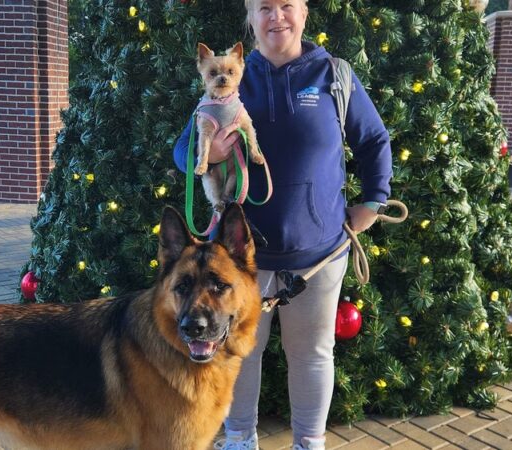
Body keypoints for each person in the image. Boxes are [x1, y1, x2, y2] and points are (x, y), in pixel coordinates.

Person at [172, 0, 393, 449]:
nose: (277, 17)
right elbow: (182, 152)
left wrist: (373, 202)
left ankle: (309, 443)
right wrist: (208, 154)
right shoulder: (230, 76)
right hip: (237, 263)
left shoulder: (334, 75)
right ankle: (239, 439)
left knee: (312, 354)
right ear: (251, 18)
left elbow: (373, 139)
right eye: (265, 7)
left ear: (304, 13)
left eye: (287, 5)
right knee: (236, 353)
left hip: (319, 253)